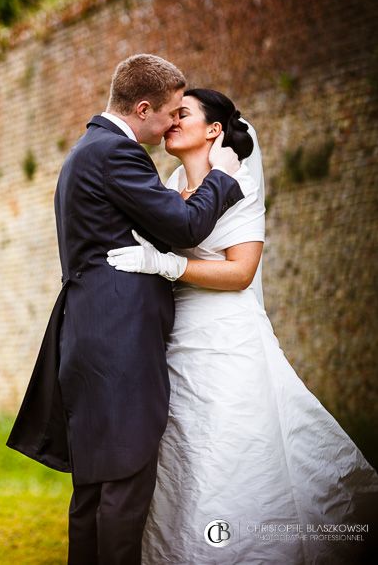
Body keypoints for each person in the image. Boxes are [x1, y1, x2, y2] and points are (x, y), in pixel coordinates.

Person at [106, 88, 378, 564]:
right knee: (181, 456)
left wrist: (168, 267)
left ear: (213, 130)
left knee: (229, 450)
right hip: (174, 342)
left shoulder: (241, 187)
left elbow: (240, 273)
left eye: (182, 113)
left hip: (226, 339)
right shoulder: (170, 188)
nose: (171, 120)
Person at [7, 54, 245, 564]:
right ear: (142, 108)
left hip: (96, 336)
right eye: (169, 113)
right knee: (122, 489)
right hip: (118, 345)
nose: (170, 126)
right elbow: (183, 227)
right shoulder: (115, 153)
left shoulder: (91, 149)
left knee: (95, 491)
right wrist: (222, 176)